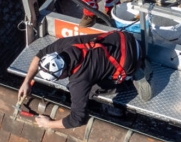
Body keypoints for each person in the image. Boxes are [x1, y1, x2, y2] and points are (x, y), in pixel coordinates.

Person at [17, 31, 153, 129]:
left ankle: (133, 78)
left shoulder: (78, 82)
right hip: (126, 38)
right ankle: (136, 64)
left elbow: (78, 119)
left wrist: (49, 124)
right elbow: (40, 55)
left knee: (90, 91)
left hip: (130, 62)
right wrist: (27, 81)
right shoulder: (63, 45)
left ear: (62, 74)